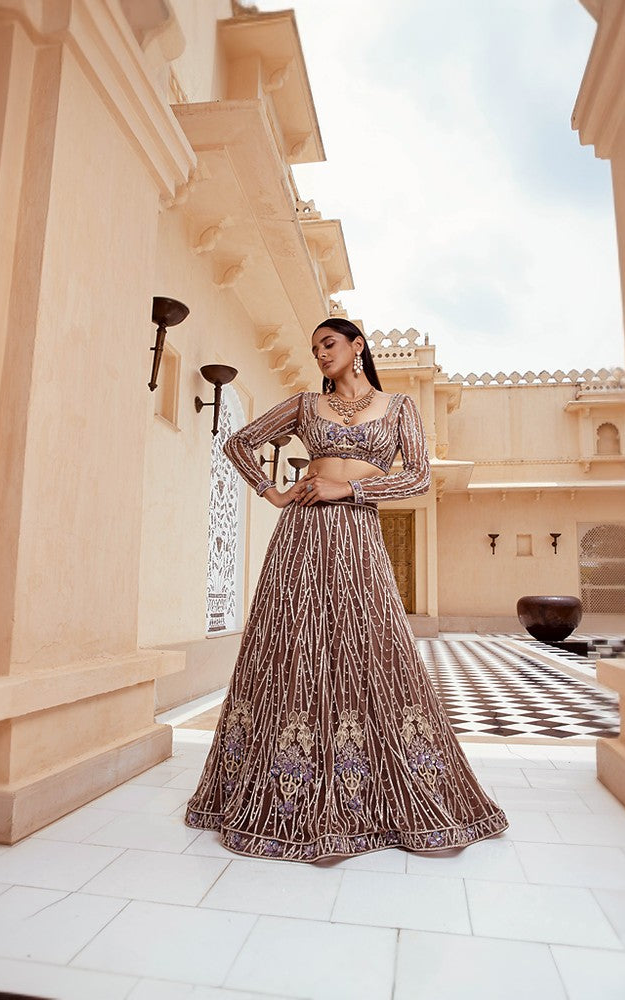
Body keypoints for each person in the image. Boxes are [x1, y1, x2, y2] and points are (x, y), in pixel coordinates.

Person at [184, 317, 508, 860]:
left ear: (357, 346)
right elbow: (240, 442)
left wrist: (350, 488)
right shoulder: (305, 405)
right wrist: (274, 492)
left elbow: (418, 477)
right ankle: (286, 791)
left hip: (358, 534)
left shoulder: (400, 408)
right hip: (301, 537)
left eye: (328, 344)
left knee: (369, 647)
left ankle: (375, 791)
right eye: (314, 349)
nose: (320, 355)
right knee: (293, 648)